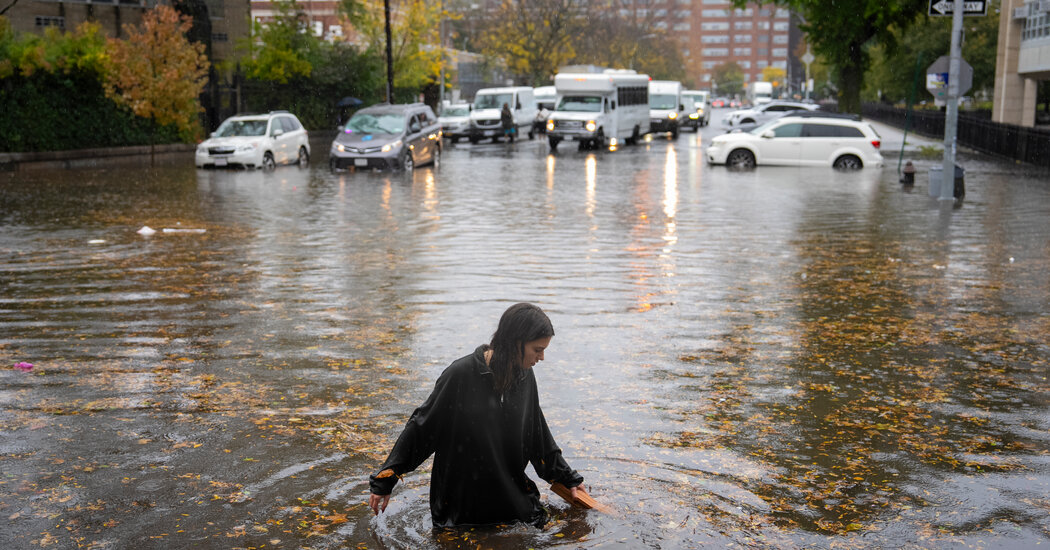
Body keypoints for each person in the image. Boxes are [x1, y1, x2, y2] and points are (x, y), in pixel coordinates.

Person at [368, 303, 584, 528]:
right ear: (515, 342)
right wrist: (386, 478)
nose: (541, 358)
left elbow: (538, 437)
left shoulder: (525, 377)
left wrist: (568, 479)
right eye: (537, 349)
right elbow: (422, 429)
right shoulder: (460, 375)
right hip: (460, 511)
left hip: (511, 504)